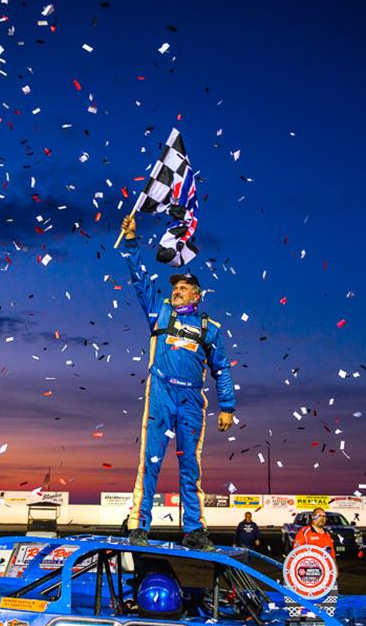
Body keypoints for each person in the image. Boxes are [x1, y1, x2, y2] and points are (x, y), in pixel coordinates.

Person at [120, 214, 237, 552]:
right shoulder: (160, 312)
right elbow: (140, 279)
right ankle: (139, 525)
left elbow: (222, 369)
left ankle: (195, 529)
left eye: (183, 288)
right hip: (160, 392)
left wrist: (227, 407)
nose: (177, 291)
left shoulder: (209, 328)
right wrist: (130, 242)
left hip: (191, 399)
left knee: (190, 465)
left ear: (196, 295)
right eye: (175, 288)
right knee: (151, 460)